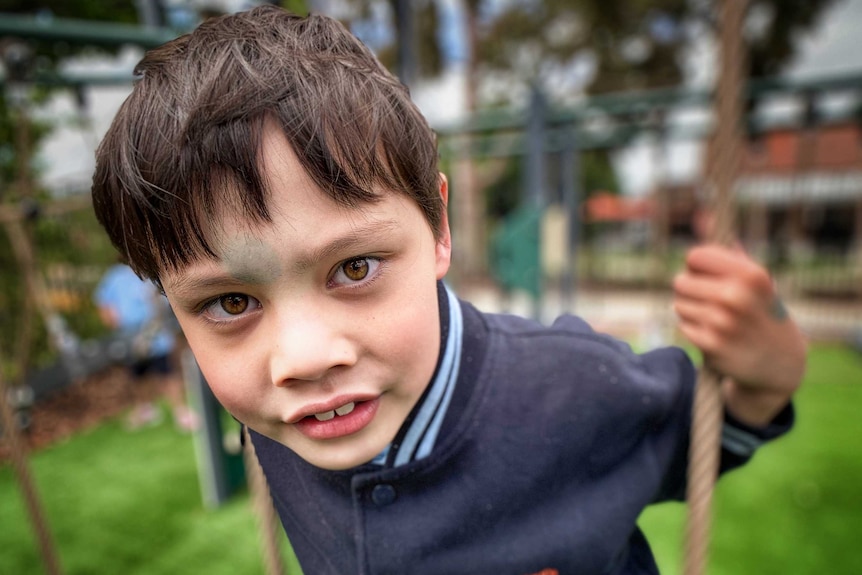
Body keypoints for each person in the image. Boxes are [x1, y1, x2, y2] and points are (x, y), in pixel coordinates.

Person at [90, 6, 807, 574]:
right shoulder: (277, 416)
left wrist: (770, 372)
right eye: (232, 303)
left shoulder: (570, 384)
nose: (303, 358)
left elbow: (706, 434)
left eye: (355, 266)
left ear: (439, 225)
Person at [94, 262, 197, 431]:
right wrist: (114, 321)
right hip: (130, 337)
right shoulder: (115, 276)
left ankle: (181, 411)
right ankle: (146, 410)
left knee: (167, 373)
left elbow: (165, 299)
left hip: (156, 335)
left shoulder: (149, 269)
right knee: (138, 375)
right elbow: (104, 302)